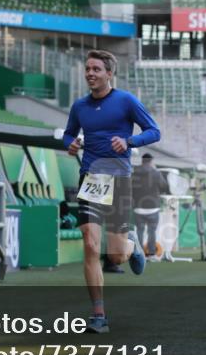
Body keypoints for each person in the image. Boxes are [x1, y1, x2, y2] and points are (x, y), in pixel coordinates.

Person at [63, 50, 161, 334]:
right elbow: (69, 134)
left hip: (119, 179)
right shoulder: (79, 106)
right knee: (91, 244)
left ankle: (131, 245)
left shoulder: (126, 101)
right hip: (91, 178)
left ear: (109, 73)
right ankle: (98, 315)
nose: (90, 73)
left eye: (96, 69)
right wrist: (71, 144)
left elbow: (154, 131)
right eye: (87, 68)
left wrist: (129, 141)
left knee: (116, 256)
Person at [132, 153, 170, 260]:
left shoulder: (134, 173)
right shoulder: (156, 173)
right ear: (151, 161)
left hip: (138, 207)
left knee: (139, 231)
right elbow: (164, 186)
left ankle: (139, 254)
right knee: (151, 231)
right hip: (153, 207)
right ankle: (151, 254)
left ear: (142, 160)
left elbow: (130, 188)